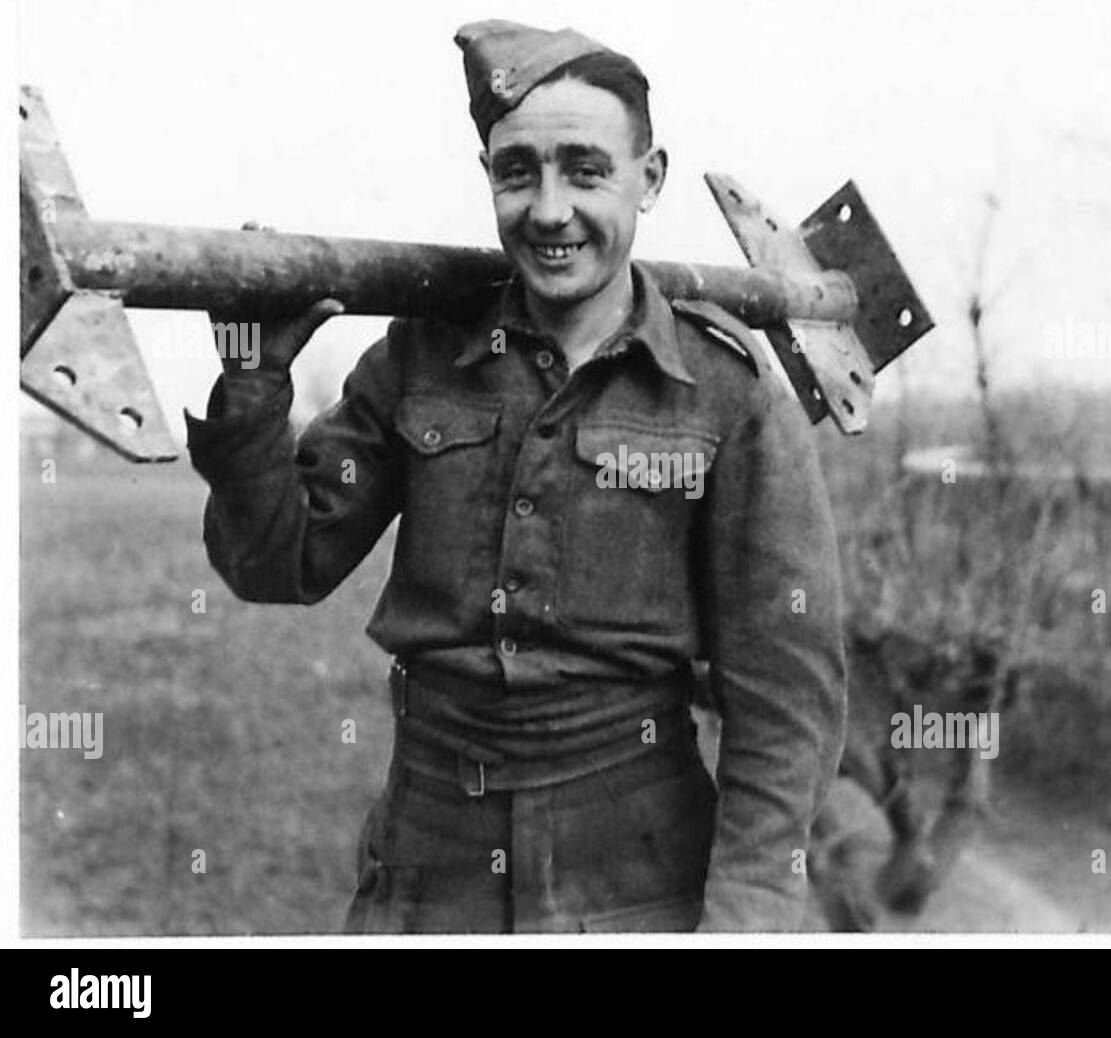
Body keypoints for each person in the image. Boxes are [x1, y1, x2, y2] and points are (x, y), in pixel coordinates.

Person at [186, 17, 847, 932]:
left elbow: (786, 703)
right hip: (424, 875)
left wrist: (745, 923)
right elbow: (276, 563)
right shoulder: (424, 353)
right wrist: (253, 383)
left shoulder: (727, 396)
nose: (548, 210)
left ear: (647, 180)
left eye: (586, 170)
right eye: (516, 171)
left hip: (637, 883)